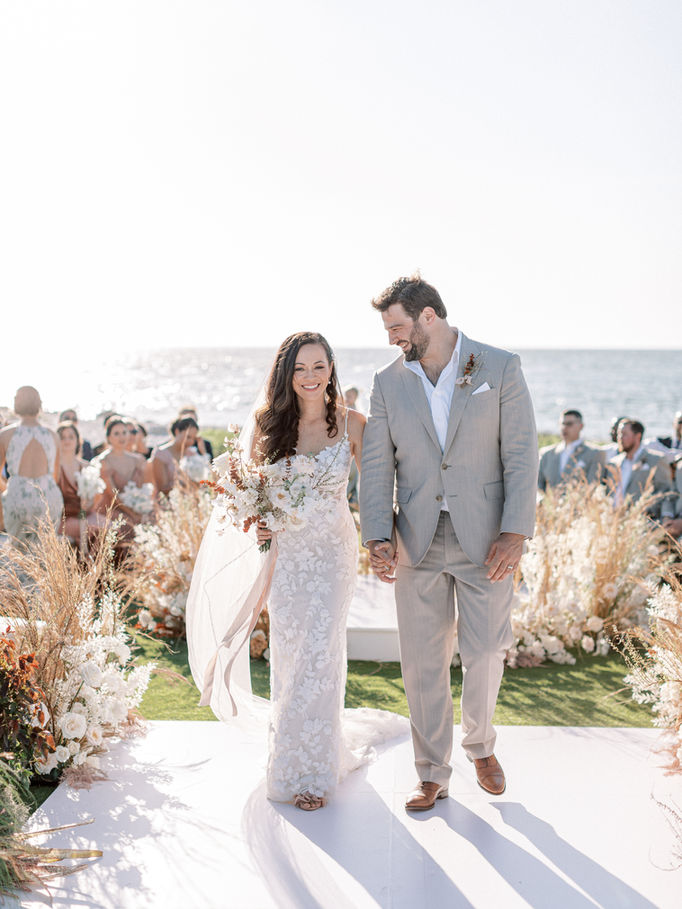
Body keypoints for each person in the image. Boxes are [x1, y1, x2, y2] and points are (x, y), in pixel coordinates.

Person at [186, 332, 403, 812]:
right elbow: (253, 497)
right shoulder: (268, 427)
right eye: (300, 368)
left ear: (332, 369)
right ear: (286, 374)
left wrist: (384, 542)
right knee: (289, 653)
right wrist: (260, 522)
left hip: (333, 553)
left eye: (319, 366)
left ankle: (315, 772)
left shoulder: (354, 424)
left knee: (322, 652)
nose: (310, 376)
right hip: (287, 557)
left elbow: (376, 490)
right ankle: (288, 761)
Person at [360, 274, 538, 812]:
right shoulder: (388, 382)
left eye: (397, 327)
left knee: (485, 651)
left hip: (487, 539)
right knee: (421, 662)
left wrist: (515, 531)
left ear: (428, 317)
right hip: (416, 538)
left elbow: (523, 453)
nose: (392, 337)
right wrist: (376, 534)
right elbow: (375, 465)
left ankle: (480, 745)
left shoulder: (499, 367)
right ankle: (431, 771)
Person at [0, 386, 64, 546]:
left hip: (18, 496)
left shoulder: (5, 434)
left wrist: (9, 487)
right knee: (45, 551)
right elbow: (56, 476)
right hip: (48, 495)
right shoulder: (52, 435)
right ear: (39, 404)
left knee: (19, 551)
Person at [92, 415, 148, 544]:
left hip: (132, 506)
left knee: (151, 519)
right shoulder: (103, 461)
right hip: (110, 508)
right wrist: (133, 515)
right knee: (128, 525)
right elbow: (112, 495)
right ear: (109, 438)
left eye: (124, 432)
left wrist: (141, 508)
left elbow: (142, 489)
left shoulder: (137, 460)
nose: (121, 437)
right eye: (116, 434)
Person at [604, 419, 674, 519]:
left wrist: (650, 512)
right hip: (612, 520)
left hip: (641, 521)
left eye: (624, 434)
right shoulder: (613, 463)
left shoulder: (656, 460)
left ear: (638, 436)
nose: (619, 438)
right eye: (619, 434)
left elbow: (665, 491)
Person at [56, 421, 106, 543]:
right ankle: (88, 560)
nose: (67, 441)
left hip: (85, 514)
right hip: (63, 518)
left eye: (71, 437)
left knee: (111, 528)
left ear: (78, 440)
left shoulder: (86, 466)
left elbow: (97, 497)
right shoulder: (54, 467)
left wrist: (88, 505)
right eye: (62, 437)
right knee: (95, 530)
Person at [537, 409, 605, 491]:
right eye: (562, 424)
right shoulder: (546, 454)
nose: (564, 428)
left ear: (581, 426)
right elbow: (538, 485)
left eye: (569, 424)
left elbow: (592, 486)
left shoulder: (594, 454)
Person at [150, 416, 201, 495]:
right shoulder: (160, 454)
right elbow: (162, 488)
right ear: (177, 432)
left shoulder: (192, 453)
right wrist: (185, 482)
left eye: (194, 438)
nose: (191, 441)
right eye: (188, 437)